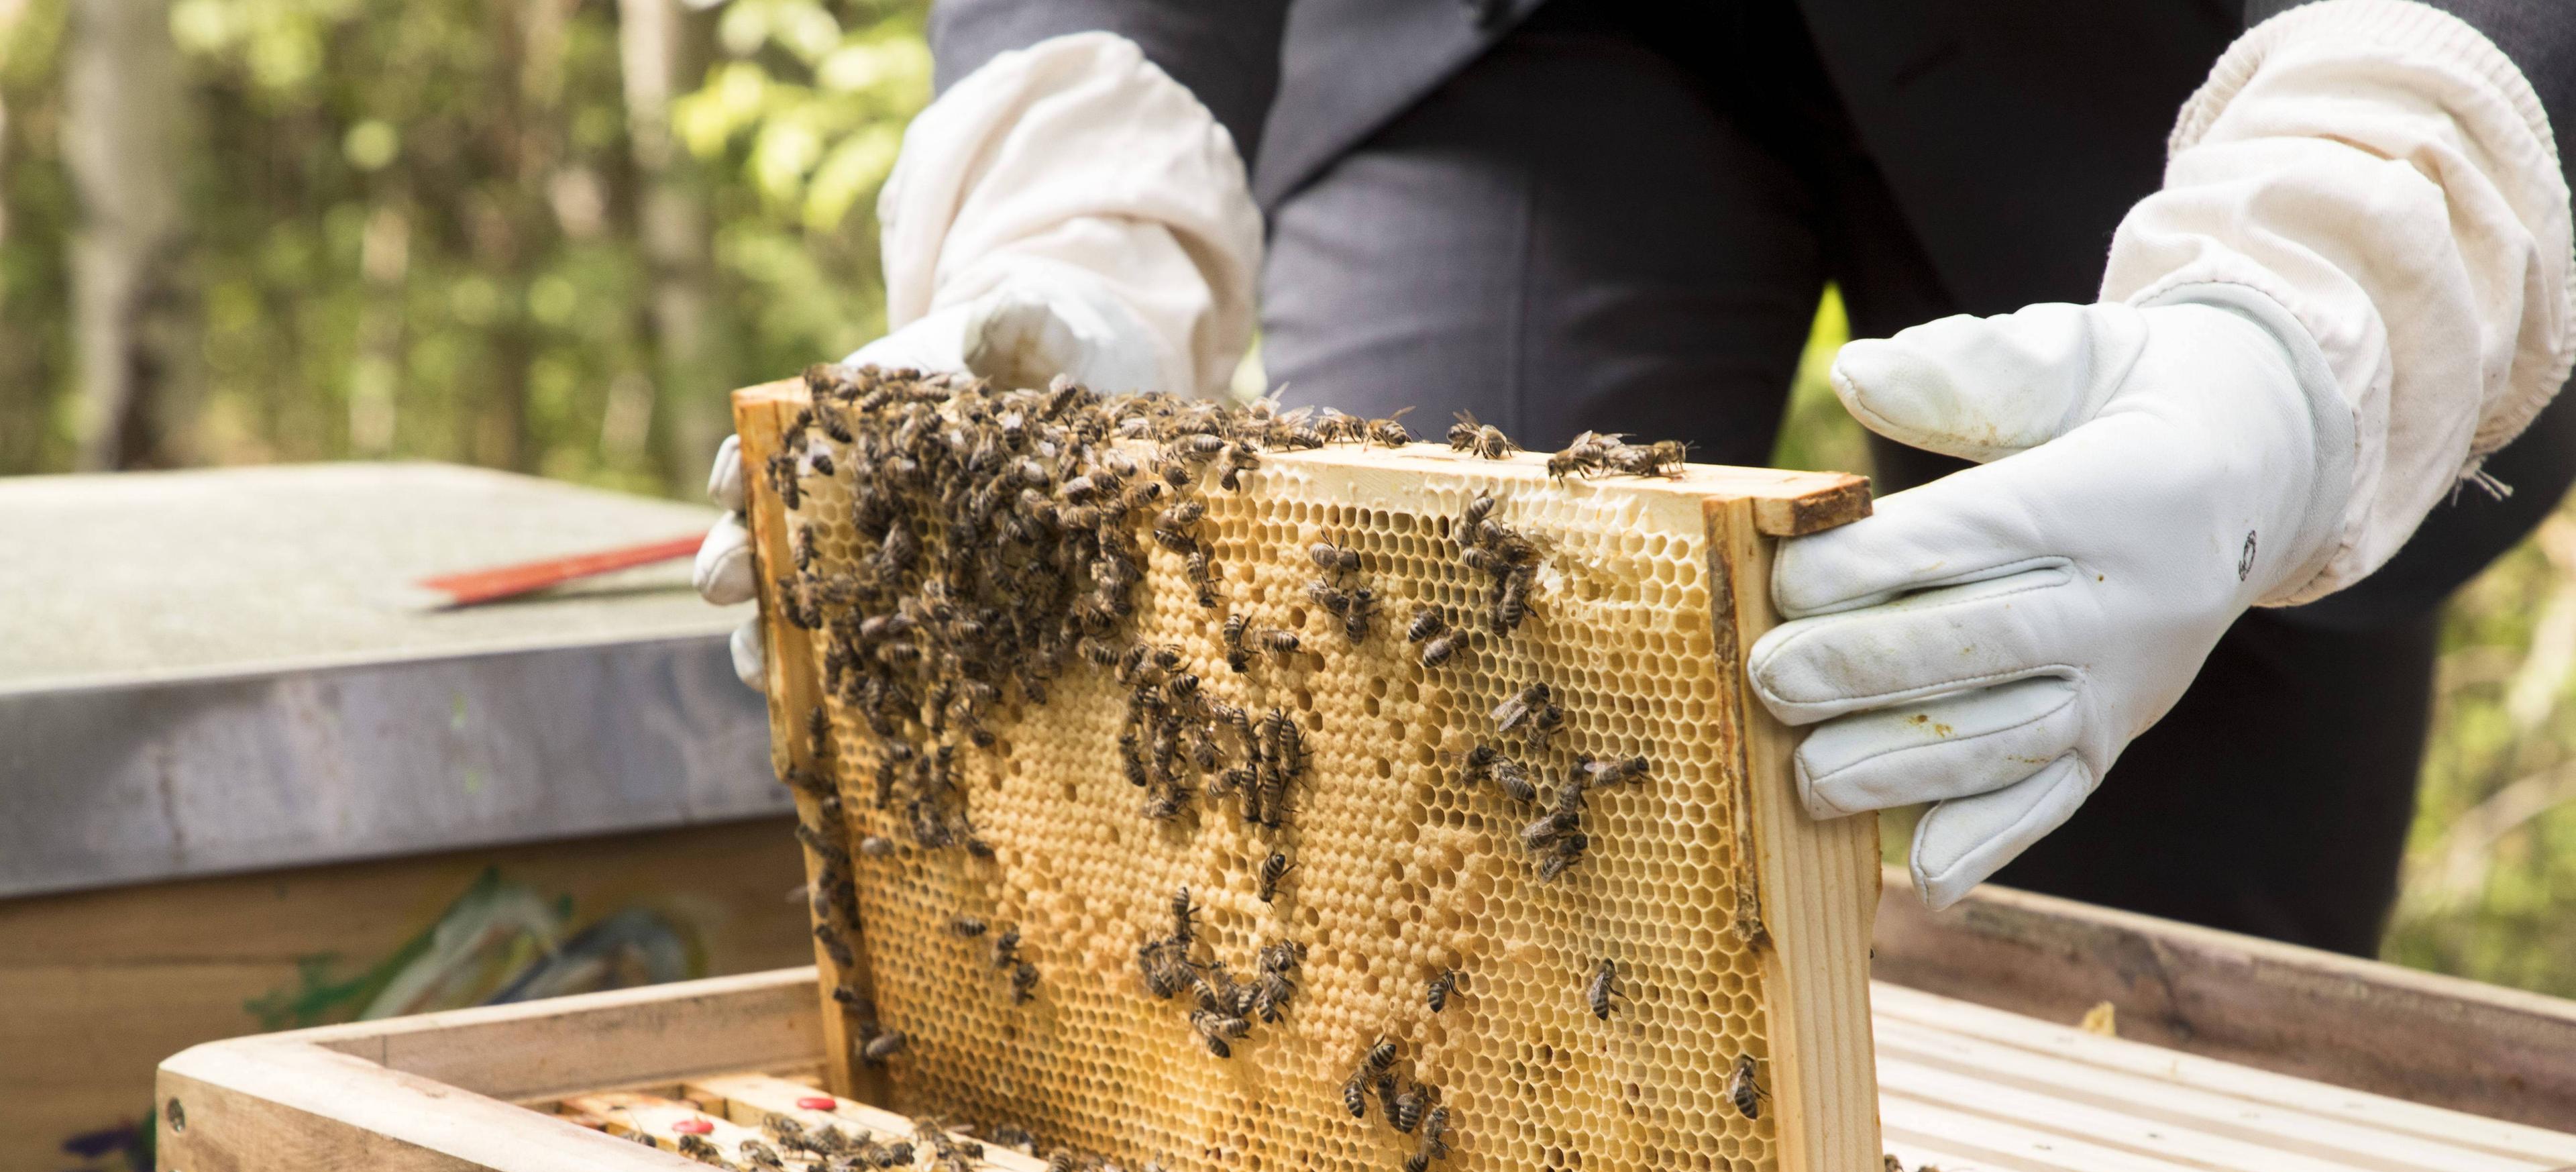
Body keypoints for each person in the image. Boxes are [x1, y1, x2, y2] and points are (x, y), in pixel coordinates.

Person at [696, 1, 2576, 957]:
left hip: (2176, 65)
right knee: (1427, 823)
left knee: (2163, 1005)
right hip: (1527, 51)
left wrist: (2298, 335)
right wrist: (1076, 236)